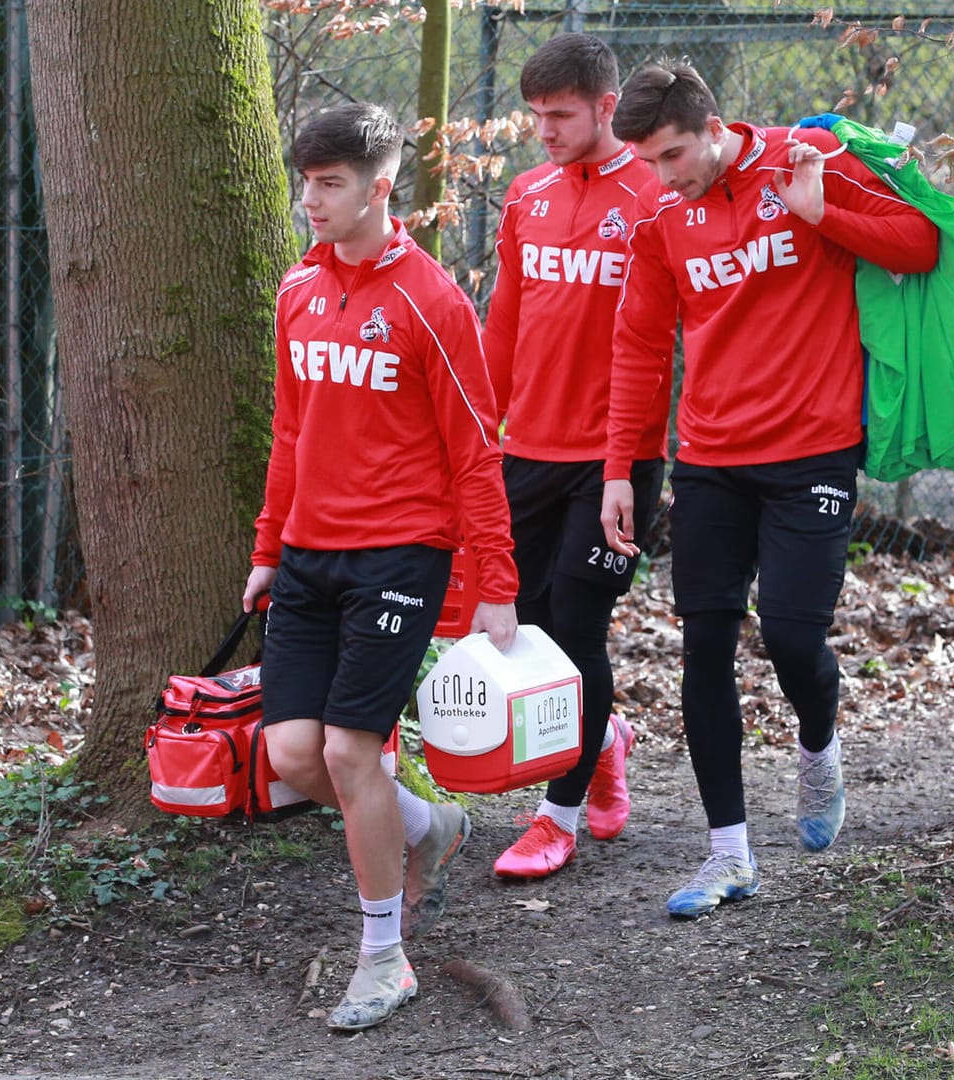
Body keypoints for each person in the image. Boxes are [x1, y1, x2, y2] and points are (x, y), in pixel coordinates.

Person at [599, 64, 938, 916]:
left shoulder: (804, 159)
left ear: (712, 124)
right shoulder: (659, 216)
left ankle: (819, 749)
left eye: (675, 153)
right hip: (710, 459)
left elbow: (923, 242)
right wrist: (619, 468)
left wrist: (824, 213)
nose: (666, 174)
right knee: (703, 645)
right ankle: (729, 855)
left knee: (792, 639)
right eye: (650, 162)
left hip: (815, 452)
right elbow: (640, 347)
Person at [241, 103, 520, 1032]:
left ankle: (383, 957)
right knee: (289, 755)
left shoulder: (432, 300)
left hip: (400, 555)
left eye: (330, 185)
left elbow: (479, 452)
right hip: (310, 558)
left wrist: (497, 586)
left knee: (349, 752)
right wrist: (268, 549)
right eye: (305, 183)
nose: (309, 202)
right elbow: (290, 431)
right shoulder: (296, 290)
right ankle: (423, 825)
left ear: (380, 188)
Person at [480, 33, 669, 880]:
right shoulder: (527, 196)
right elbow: (506, 325)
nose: (545, 131)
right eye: (535, 116)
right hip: (530, 449)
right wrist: (481, 427)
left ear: (605, 105)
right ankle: (606, 739)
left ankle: (554, 817)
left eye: (561, 114)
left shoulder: (658, 191)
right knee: (537, 629)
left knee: (580, 628)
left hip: (620, 455)